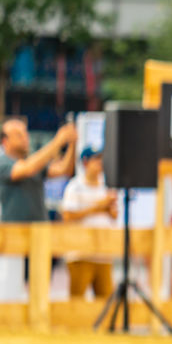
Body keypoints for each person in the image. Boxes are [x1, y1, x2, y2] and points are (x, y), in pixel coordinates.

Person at [1, 118, 77, 299]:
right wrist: (58, 141)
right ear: (5, 141)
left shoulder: (32, 161)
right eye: (19, 135)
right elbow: (26, 169)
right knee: (11, 292)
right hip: (14, 237)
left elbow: (64, 170)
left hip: (39, 235)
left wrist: (72, 144)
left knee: (40, 292)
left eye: (25, 133)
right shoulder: (4, 162)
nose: (25, 138)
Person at [59, 147, 119, 300]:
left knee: (105, 302)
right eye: (96, 160)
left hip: (103, 253)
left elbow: (114, 214)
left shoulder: (105, 186)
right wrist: (99, 207)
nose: (100, 164)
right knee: (77, 301)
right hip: (80, 253)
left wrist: (106, 207)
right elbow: (68, 215)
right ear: (86, 163)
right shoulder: (75, 187)